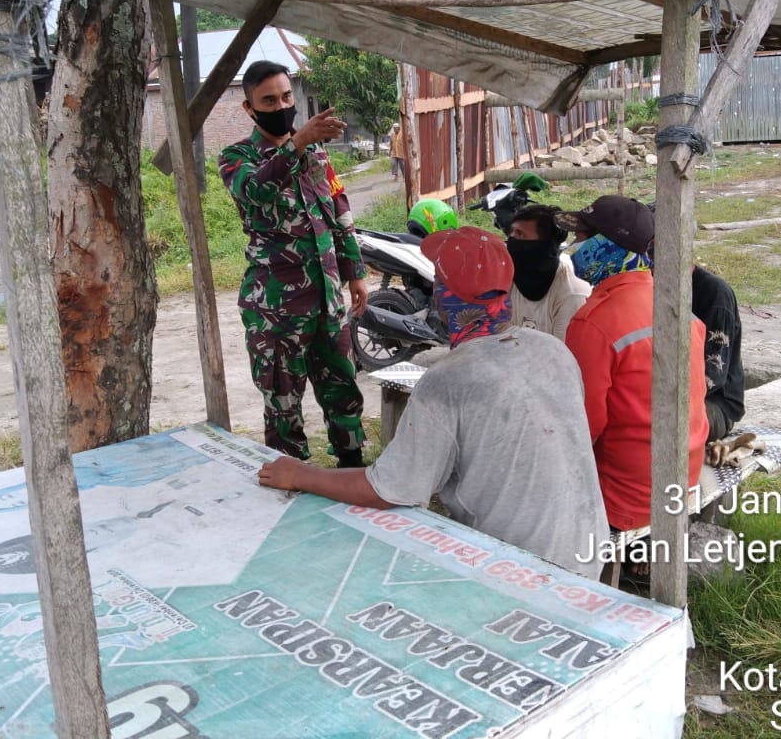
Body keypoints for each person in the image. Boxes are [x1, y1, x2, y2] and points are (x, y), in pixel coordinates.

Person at [258, 227, 609, 580]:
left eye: (438, 283)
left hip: (524, 573)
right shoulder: (552, 349)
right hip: (587, 555)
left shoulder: (448, 380)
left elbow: (388, 489)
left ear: (445, 297)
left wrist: (301, 474)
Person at [219, 60, 368, 467]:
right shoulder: (236, 157)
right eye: (269, 100)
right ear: (250, 108)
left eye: (287, 96)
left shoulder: (316, 150)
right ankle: (291, 478)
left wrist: (354, 273)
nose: (282, 105)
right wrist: (297, 142)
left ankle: (352, 464)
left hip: (326, 298)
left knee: (342, 385)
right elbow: (257, 190)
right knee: (283, 400)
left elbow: (337, 206)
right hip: (276, 309)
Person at [557, 196, 708, 534]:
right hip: (682, 478)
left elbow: (582, 426)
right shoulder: (676, 305)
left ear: (609, 246)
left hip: (625, 497)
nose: (574, 247)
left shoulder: (593, 323)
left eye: (583, 237)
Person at [505, 203, 590, 342]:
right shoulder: (509, 280)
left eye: (520, 234)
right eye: (511, 233)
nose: (511, 240)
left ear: (543, 246)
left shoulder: (571, 295)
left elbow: (563, 357)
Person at [692, 264, 745, 442]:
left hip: (717, 403)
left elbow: (713, 376)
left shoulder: (715, 294)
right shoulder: (650, 288)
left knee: (660, 422)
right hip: (671, 395)